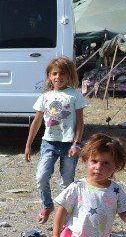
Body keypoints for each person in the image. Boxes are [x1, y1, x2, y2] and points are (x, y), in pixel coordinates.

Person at [24, 57, 88, 224]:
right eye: (54, 73)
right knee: (41, 176)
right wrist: (28, 145)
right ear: (49, 76)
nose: (58, 77)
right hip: (49, 143)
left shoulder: (75, 95)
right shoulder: (45, 96)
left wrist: (77, 143)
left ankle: (64, 216)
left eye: (62, 74)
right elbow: (37, 121)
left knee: (66, 182)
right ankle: (47, 205)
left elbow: (80, 122)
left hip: (69, 144)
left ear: (70, 76)